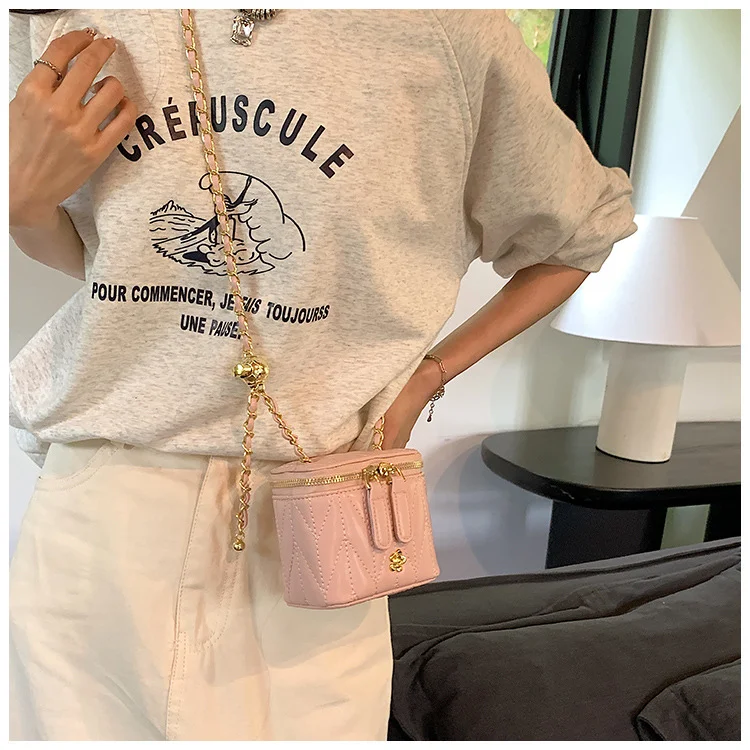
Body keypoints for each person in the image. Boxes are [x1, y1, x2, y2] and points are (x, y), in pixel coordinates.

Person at [8, 8, 637, 742]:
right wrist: (21, 203)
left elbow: (581, 233)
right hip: (100, 513)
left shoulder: (446, 30)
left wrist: (426, 377)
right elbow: (107, 265)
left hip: (320, 518)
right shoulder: (66, 17)